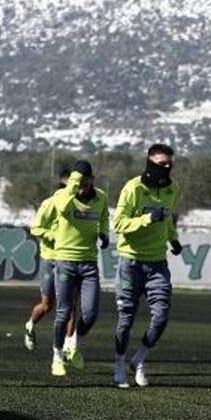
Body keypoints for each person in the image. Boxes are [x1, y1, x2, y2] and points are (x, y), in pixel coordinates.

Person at [112, 143, 183, 389]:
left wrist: (173, 238)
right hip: (130, 263)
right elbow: (118, 224)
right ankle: (119, 365)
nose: (167, 167)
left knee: (161, 316)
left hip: (158, 264)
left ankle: (139, 359)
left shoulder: (173, 188)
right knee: (126, 319)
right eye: (162, 163)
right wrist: (146, 219)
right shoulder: (133, 188)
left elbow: (167, 218)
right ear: (150, 163)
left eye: (170, 164)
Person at [32, 160, 109, 377]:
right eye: (78, 181)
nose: (82, 186)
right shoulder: (62, 196)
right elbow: (62, 208)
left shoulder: (101, 197)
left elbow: (104, 218)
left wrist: (104, 233)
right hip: (65, 261)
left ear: (92, 179)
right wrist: (73, 186)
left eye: (86, 181)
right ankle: (57, 356)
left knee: (90, 314)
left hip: (89, 263)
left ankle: (72, 344)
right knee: (63, 312)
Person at [25, 169, 77, 353]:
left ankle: (69, 346)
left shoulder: (79, 205)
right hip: (50, 259)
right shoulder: (50, 203)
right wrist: (55, 237)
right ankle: (30, 325)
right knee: (48, 305)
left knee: (71, 305)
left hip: (70, 259)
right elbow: (36, 228)